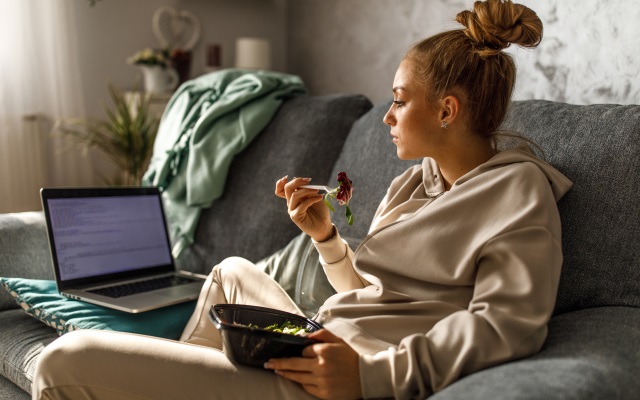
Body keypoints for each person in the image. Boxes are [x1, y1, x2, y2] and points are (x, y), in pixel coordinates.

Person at [32, 0, 572, 399]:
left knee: (63, 361)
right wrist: (327, 239)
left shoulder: (517, 191)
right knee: (231, 271)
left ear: (447, 111)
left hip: (340, 374)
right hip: (324, 339)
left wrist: (368, 377)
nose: (387, 115)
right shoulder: (416, 182)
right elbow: (374, 291)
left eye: (400, 101)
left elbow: (506, 325)